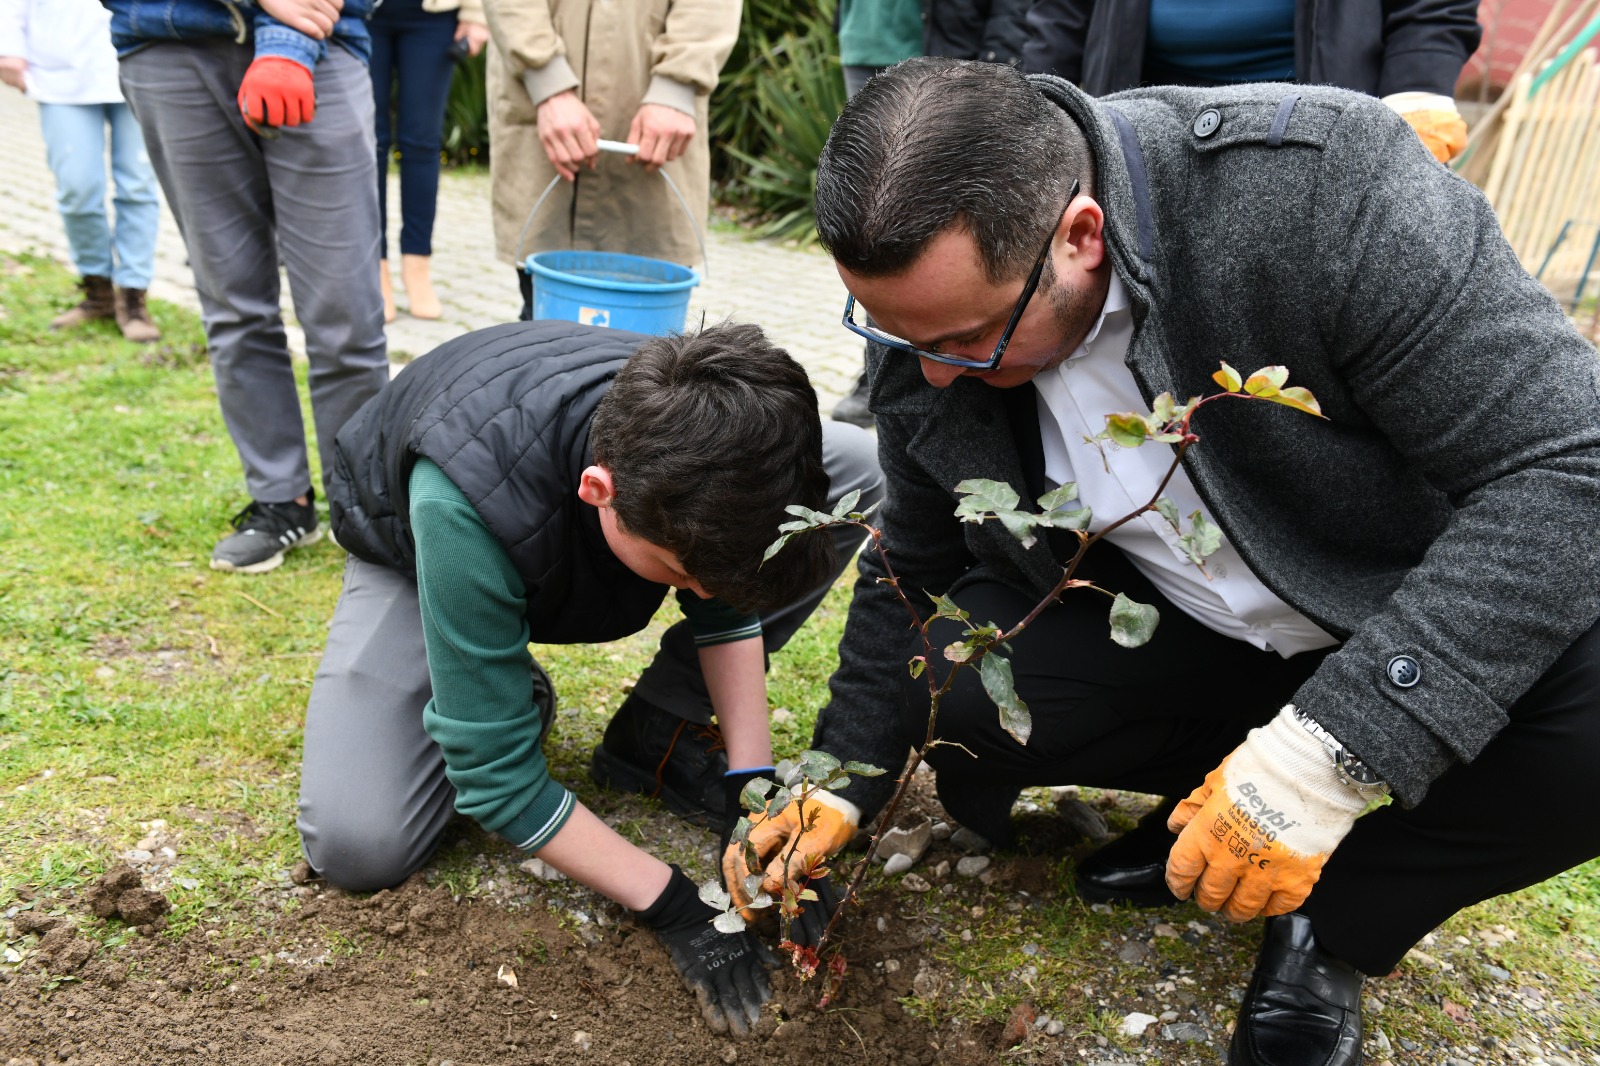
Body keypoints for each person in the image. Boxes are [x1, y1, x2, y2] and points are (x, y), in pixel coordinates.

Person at [725, 58, 1600, 1066]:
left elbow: (1571, 462)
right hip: (1201, 626)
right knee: (958, 679)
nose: (927, 373)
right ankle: (1209, 812)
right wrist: (846, 776)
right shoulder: (934, 307)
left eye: (966, 340)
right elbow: (912, 561)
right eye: (896, 334)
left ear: (1081, 237)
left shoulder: (1321, 193)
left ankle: (1337, 916)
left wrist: (1327, 753)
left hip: (1394, 599)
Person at [298, 319, 880, 1035]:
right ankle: (493, 688)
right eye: (681, 574)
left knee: (859, 461)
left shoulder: (713, 438)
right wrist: (668, 900)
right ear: (599, 489)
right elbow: (496, 781)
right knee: (360, 842)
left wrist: (750, 790)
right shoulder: (458, 505)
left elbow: (723, 600)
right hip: (415, 537)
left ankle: (655, 735)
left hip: (553, 498)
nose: (700, 593)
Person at [103, 0, 391, 575]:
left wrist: (287, 44)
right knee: (232, 302)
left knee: (345, 310)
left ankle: (361, 501)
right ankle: (282, 500)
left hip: (324, 39)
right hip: (168, 42)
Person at [830, 0, 1033, 429]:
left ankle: (974, 353)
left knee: (952, 240)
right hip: (864, 45)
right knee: (876, 234)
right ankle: (881, 370)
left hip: (947, 55)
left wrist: (998, 66)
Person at [479, 0, 739, 321]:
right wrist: (549, 85)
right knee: (544, 329)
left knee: (652, 347)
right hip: (541, 113)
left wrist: (677, 85)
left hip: (660, 126)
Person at [1022, 0, 1481, 163]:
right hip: (1137, 140)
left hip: (1315, 141)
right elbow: (1062, 16)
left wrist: (1417, 94)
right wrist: (1031, 118)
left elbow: (1432, 10)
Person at [1, 0, 161, 342]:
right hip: (59, 69)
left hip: (139, 58)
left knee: (138, 185)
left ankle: (133, 296)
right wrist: (8, 47)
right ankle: (97, 291)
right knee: (77, 188)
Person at [368, 0, 489, 322]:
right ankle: (373, 267)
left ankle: (417, 263)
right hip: (359, 11)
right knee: (369, 143)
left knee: (422, 142)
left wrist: (476, 14)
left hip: (433, 15)